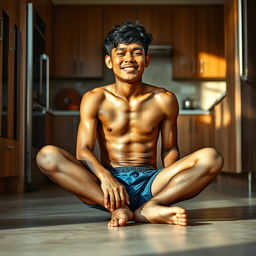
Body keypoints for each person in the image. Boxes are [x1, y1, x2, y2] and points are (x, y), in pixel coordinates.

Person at [36, 21, 224, 227]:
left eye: (137, 53)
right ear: (109, 61)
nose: (129, 59)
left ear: (147, 60)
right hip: (104, 186)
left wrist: (169, 186)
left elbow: (170, 148)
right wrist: (106, 177)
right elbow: (83, 151)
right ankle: (117, 208)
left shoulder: (165, 99)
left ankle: (151, 207)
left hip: (151, 182)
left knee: (211, 157)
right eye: (121, 53)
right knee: (46, 156)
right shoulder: (94, 98)